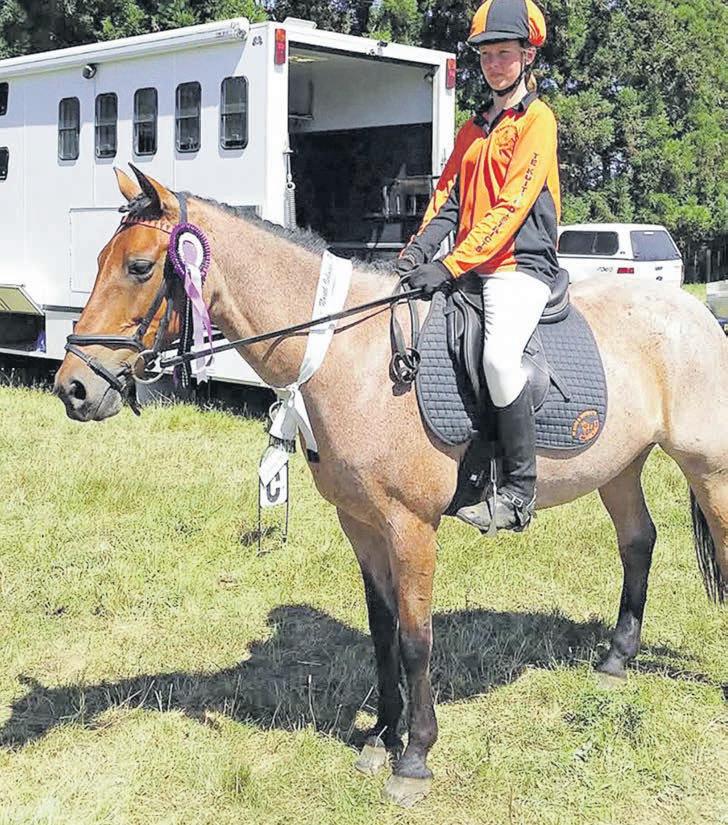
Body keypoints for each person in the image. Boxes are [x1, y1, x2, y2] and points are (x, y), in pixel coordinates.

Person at [400, 0, 561, 532]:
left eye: (504, 54)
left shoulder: (537, 121)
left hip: (520, 266)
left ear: (527, 56)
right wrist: (417, 252)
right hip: (472, 266)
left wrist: (449, 265)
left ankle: (518, 491)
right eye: (487, 55)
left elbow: (512, 206)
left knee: (498, 358)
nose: (494, 64)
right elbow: (447, 197)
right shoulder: (473, 129)